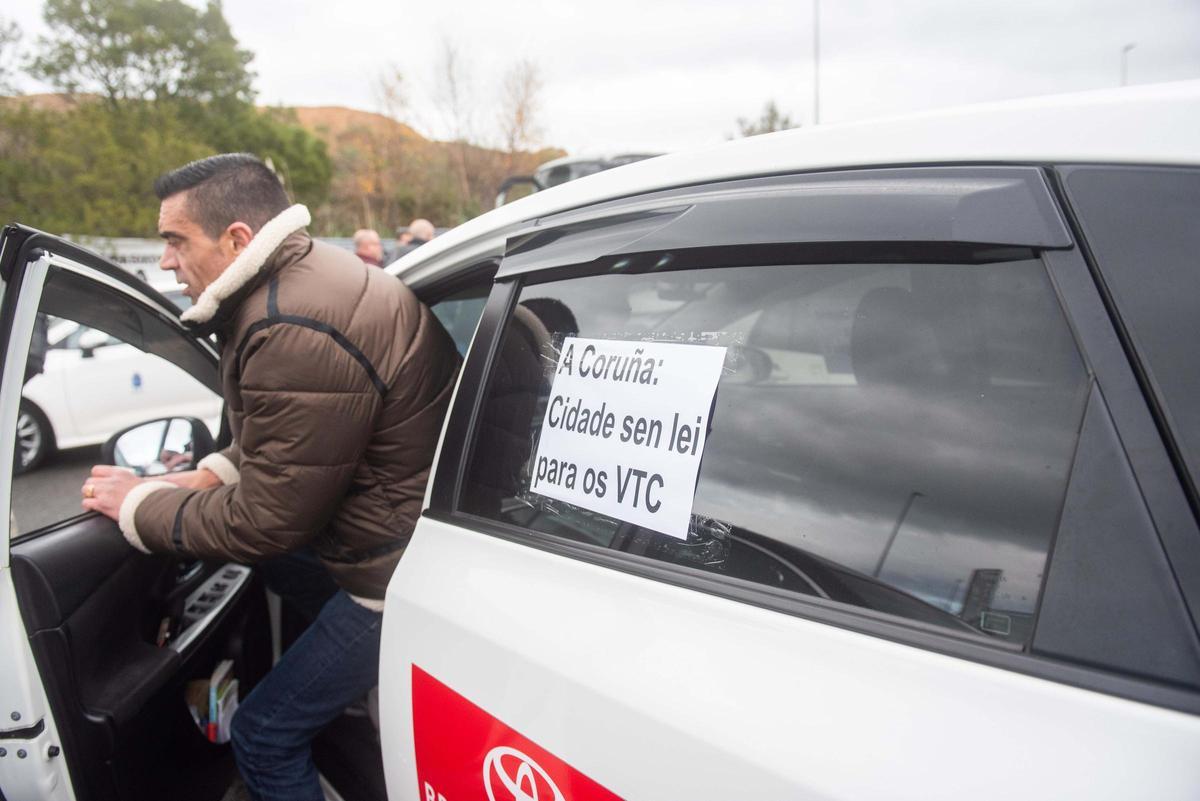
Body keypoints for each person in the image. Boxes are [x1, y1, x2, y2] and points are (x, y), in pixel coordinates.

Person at [79, 153, 460, 801]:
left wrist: (138, 504)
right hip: (403, 534)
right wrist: (207, 476)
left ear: (236, 239)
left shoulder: (287, 321)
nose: (165, 261)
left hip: (391, 578)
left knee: (262, 733)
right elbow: (302, 432)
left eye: (175, 240)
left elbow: (266, 520)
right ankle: (356, 691)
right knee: (282, 567)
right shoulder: (313, 279)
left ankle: (347, 693)